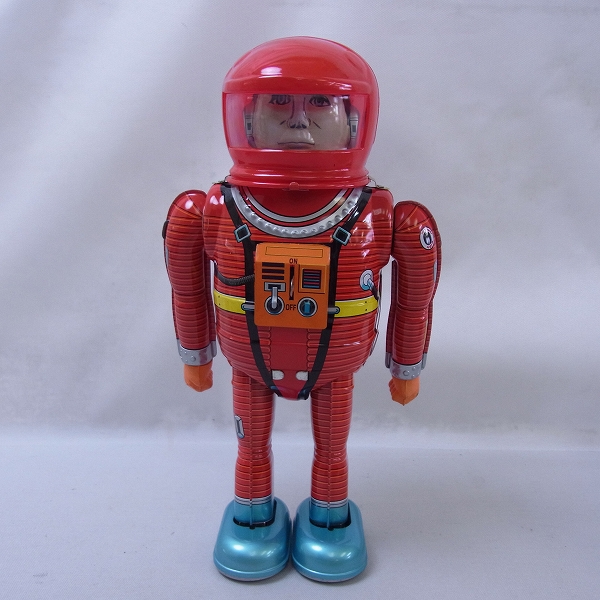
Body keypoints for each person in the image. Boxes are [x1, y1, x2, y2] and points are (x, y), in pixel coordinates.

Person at [163, 36, 441, 582]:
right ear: (246, 119)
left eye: (318, 103)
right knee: (250, 448)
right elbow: (187, 285)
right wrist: (197, 353)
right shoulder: (213, 209)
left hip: (334, 365)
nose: (298, 119)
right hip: (249, 362)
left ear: (354, 122)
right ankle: (253, 517)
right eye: (278, 102)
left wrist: (406, 365)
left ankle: (329, 520)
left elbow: (415, 296)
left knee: (332, 449)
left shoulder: (379, 214)